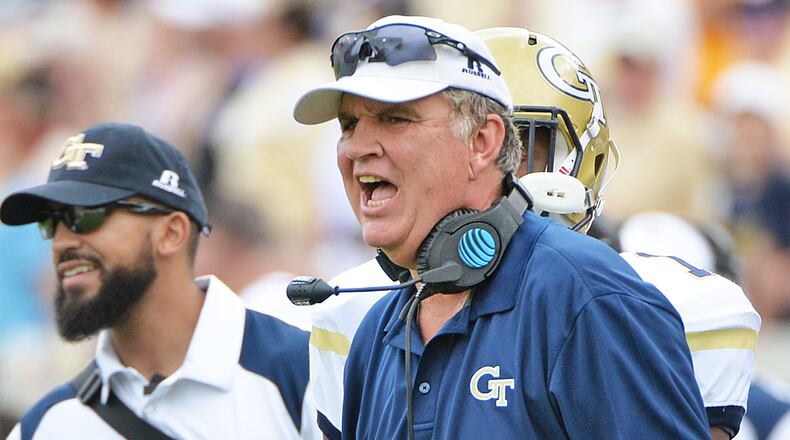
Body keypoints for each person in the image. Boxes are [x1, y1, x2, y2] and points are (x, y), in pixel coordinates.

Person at [303, 24, 759, 440]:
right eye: (349, 124)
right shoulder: (377, 332)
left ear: (482, 142)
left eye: (395, 119)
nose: (357, 147)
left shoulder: (586, 298)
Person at [1, 123, 320, 439]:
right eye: (51, 223)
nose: (60, 242)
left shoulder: (305, 371)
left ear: (171, 233)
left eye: (85, 215)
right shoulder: (45, 427)